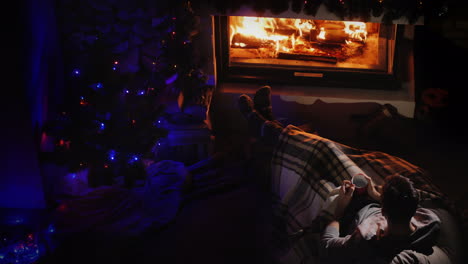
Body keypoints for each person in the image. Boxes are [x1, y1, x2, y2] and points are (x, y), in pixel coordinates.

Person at [237, 86, 442, 263]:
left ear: (385, 212)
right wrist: (373, 193)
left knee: (316, 158)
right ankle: (268, 124)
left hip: (346, 210)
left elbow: (328, 246)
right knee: (328, 148)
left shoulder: (367, 241)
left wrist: (339, 209)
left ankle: (261, 124)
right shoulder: (429, 221)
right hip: (365, 196)